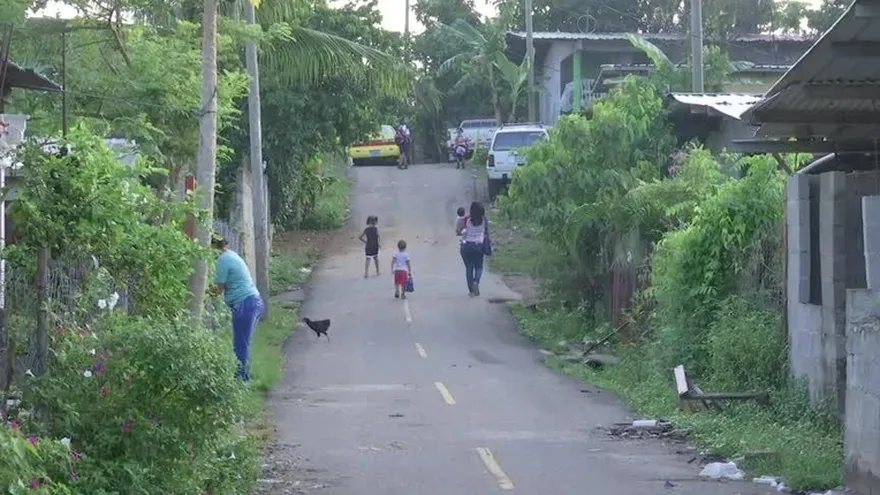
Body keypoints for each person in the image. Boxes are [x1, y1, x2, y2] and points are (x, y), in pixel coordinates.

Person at [209, 234, 264, 381]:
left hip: (244, 304)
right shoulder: (231, 255)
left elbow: (218, 289)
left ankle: (241, 380)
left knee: (240, 344)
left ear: (213, 247)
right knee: (244, 343)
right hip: (252, 301)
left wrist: (201, 295)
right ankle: (244, 376)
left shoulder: (222, 260)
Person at [456, 201, 489, 297]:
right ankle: (476, 282)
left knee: (469, 268)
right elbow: (486, 233)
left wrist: (463, 231)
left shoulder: (466, 219)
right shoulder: (484, 220)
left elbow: (458, 232)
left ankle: (471, 291)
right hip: (478, 246)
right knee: (479, 267)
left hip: (466, 246)